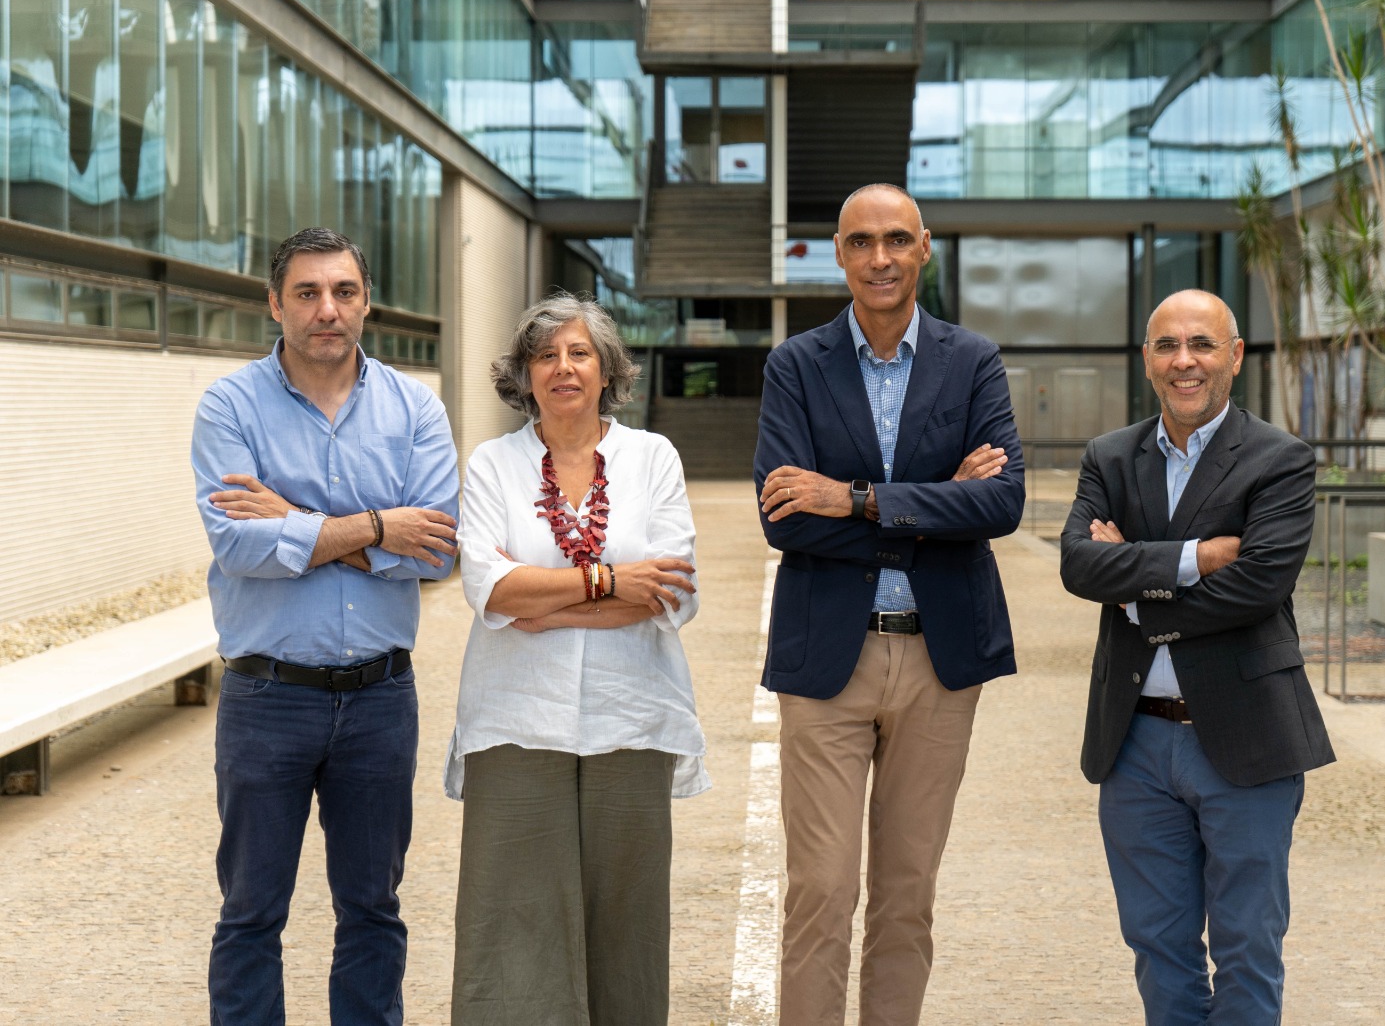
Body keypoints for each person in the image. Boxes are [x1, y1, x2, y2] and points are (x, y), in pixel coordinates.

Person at [753, 183, 1024, 1026]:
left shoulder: (971, 361)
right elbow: (783, 519)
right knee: (821, 889)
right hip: (827, 660)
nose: (881, 258)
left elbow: (1003, 503)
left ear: (924, 247)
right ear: (839, 254)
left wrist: (856, 500)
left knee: (908, 894)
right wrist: (939, 502)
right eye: (863, 242)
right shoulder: (796, 365)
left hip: (940, 661)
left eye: (897, 240)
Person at [191, 227, 460, 1026]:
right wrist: (379, 527)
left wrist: (294, 520)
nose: (327, 310)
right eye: (306, 293)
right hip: (266, 698)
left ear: (367, 302)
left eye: (343, 291)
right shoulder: (230, 407)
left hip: (380, 700)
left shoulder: (416, 408)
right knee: (250, 913)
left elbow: (436, 550)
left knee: (373, 909)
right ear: (275, 305)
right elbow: (239, 546)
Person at [1059, 288, 1335, 1025]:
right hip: (1135, 742)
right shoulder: (1110, 457)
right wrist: (1197, 558)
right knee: (1158, 945)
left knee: (1247, 946)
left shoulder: (1279, 460)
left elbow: (1258, 585)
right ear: (1147, 360)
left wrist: (1135, 592)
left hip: (1247, 737)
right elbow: (1079, 565)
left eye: (1202, 344)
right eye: (1168, 346)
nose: (1185, 361)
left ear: (1235, 357)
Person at [446, 293, 706, 1026]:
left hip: (633, 714)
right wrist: (613, 581)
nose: (563, 367)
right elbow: (489, 587)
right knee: (510, 917)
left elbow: (672, 590)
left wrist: (546, 603)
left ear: (607, 370)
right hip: (515, 717)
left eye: (579, 352)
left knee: (628, 921)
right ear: (524, 374)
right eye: (545, 355)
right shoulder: (494, 464)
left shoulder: (651, 458)